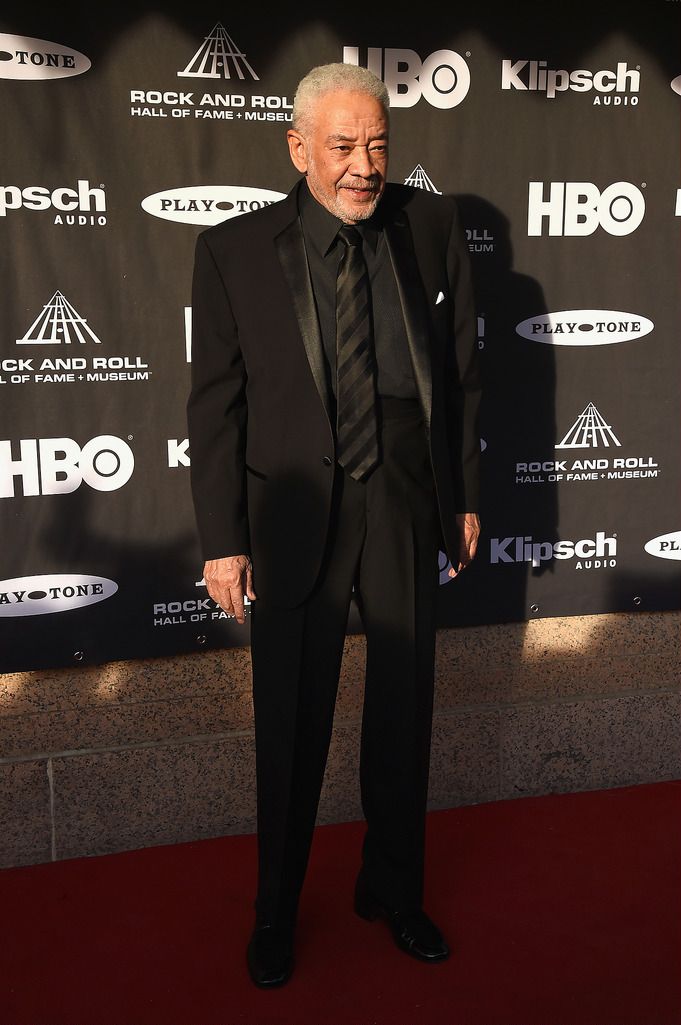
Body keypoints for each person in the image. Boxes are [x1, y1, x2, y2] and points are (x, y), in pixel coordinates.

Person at [187, 62, 481, 988]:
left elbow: (465, 376)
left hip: (402, 495)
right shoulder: (234, 248)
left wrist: (463, 495)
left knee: (403, 711)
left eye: (379, 146)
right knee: (291, 721)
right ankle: (276, 907)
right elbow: (215, 406)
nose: (364, 167)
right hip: (293, 511)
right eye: (345, 147)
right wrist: (220, 537)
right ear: (298, 146)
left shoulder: (428, 228)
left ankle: (390, 888)